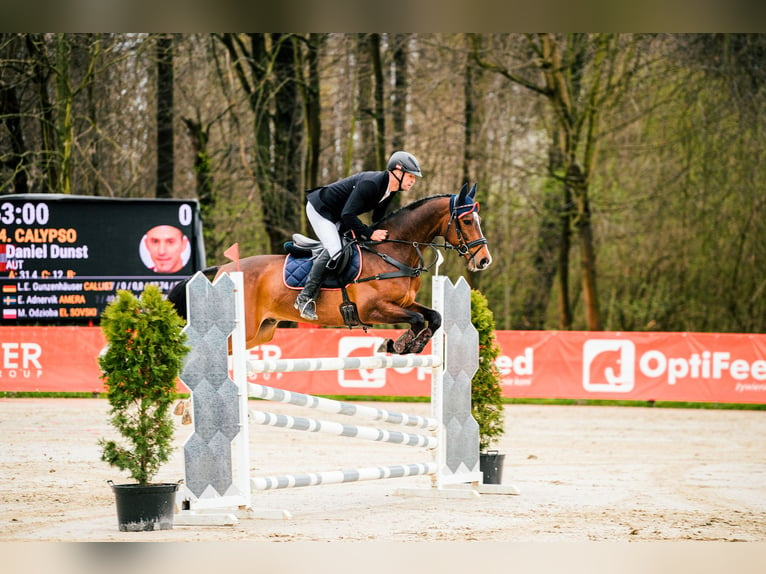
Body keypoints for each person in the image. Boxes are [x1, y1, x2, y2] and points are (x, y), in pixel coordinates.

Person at [294, 150, 423, 321]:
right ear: (397, 172)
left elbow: (378, 218)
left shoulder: (389, 189)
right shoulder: (371, 184)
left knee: (349, 245)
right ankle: (304, 298)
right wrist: (369, 233)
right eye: (410, 176)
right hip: (321, 209)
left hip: (338, 214)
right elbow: (348, 215)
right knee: (335, 249)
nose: (413, 181)